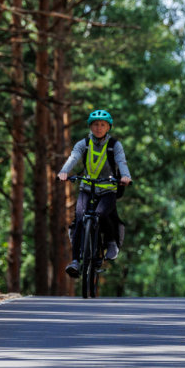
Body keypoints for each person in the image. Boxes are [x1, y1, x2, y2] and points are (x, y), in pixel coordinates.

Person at [57, 109, 132, 278]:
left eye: (102, 125)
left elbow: (122, 161)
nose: (99, 128)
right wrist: (63, 172)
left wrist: (126, 176)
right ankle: (75, 261)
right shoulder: (83, 143)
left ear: (108, 127)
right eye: (95, 124)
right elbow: (73, 158)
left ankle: (110, 242)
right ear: (90, 126)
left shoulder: (115, 145)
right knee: (80, 216)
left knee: (102, 214)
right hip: (87, 188)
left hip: (108, 190)